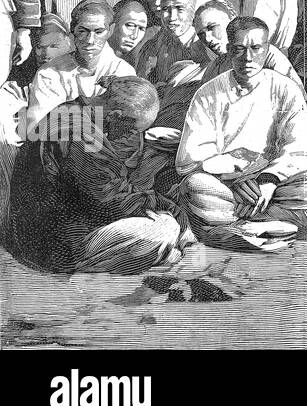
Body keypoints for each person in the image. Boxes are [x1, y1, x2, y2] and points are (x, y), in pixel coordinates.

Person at [6, 76, 190, 274]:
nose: (133, 136)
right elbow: (113, 200)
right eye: (134, 130)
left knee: (160, 227)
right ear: (116, 116)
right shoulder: (82, 137)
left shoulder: (72, 109)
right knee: (164, 230)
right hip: (51, 247)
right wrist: (172, 210)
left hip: (39, 228)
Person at [178, 16, 307, 248]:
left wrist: (267, 180)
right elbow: (191, 158)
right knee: (195, 186)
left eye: (255, 48)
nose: (247, 58)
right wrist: (234, 178)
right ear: (229, 50)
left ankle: (240, 223)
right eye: (239, 49)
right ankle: (270, 220)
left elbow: (303, 148)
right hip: (227, 185)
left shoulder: (284, 88)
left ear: (267, 49)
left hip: (274, 182)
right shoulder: (207, 93)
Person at [25, 0, 134, 129]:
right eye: (82, 31)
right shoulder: (48, 73)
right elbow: (38, 127)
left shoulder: (124, 72)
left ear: (110, 31)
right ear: (73, 32)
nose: (90, 40)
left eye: (99, 32)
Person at [132, 0, 208, 86]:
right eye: (166, 9)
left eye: (180, 9)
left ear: (193, 11)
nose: (172, 17)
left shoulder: (206, 46)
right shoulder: (151, 47)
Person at [109, 0, 149, 70]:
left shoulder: (131, 66)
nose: (134, 36)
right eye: (130, 26)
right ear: (113, 24)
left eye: (141, 29)